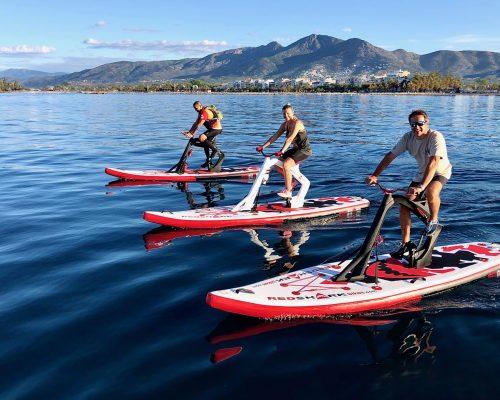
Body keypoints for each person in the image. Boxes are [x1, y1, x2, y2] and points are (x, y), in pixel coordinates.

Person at [365, 109, 452, 257]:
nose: (416, 127)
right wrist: (375, 175)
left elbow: (433, 163)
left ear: (427, 122)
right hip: (421, 174)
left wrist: (421, 187)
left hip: (440, 172)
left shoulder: (435, 136)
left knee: (432, 191)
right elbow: (390, 156)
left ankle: (434, 219)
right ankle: (405, 243)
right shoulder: (408, 138)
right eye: (413, 125)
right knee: (405, 205)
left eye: (420, 124)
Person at [256, 104, 312, 198]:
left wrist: (282, 150)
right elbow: (275, 136)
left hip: (304, 150)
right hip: (295, 150)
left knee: (286, 164)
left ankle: (288, 191)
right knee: (276, 163)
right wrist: (263, 146)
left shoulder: (298, 123)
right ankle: (292, 182)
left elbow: (290, 139)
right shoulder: (285, 124)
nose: (286, 116)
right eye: (284, 114)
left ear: (293, 112)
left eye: (288, 113)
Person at [183, 101, 224, 168]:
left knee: (201, 137)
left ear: (201, 106)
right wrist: (190, 132)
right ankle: (209, 161)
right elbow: (195, 123)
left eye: (196, 108)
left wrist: (192, 134)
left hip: (216, 129)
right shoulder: (200, 113)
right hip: (211, 129)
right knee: (205, 144)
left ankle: (215, 150)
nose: (195, 110)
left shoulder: (204, 112)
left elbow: (199, 125)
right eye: (194, 108)